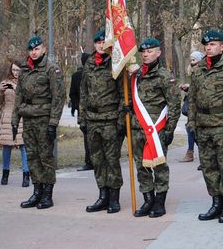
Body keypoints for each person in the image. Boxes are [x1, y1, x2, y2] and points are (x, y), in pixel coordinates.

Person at [187, 29, 223, 224]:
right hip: (203, 127)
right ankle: (216, 202)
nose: (209, 47)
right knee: (208, 167)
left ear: (222, 46)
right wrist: (192, 124)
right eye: (206, 45)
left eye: (213, 44)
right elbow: (192, 100)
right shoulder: (198, 70)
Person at [129, 38, 181, 218]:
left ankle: (159, 202)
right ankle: (148, 200)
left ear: (158, 53)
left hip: (156, 129)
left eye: (150, 51)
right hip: (137, 129)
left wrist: (170, 130)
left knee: (159, 166)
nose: (145, 54)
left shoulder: (165, 76)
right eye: (143, 51)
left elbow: (174, 105)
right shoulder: (135, 76)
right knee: (141, 166)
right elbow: (130, 100)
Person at [12, 36, 64, 210]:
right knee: (32, 156)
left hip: (44, 118)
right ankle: (37, 192)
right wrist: (14, 120)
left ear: (43, 49)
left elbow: (58, 97)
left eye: (37, 49)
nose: (34, 52)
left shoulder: (51, 69)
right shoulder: (25, 69)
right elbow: (18, 95)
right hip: (28, 118)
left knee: (45, 157)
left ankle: (47, 195)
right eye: (31, 49)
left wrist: (53, 123)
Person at [79, 31, 124, 214]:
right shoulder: (89, 63)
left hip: (110, 119)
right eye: (97, 42)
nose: (100, 44)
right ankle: (102, 195)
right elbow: (83, 93)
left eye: (103, 41)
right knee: (97, 160)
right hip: (92, 120)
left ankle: (114, 198)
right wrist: (82, 118)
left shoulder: (116, 63)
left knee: (111, 159)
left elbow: (123, 95)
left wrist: (121, 120)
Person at [0, 62, 29, 187]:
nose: (15, 72)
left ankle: (26, 175)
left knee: (24, 147)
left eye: (17, 70)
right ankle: (5, 174)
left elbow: (30, 98)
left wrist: (16, 90)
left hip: (22, 116)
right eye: (13, 70)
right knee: (7, 147)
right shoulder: (5, 82)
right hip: (7, 117)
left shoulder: (26, 81)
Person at [180, 51, 204, 163]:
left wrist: (190, 87)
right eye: (191, 59)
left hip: (200, 106)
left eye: (194, 59)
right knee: (190, 128)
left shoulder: (203, 71)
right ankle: (190, 152)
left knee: (197, 130)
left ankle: (205, 155)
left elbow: (202, 88)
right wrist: (187, 88)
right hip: (191, 105)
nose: (192, 62)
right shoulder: (192, 72)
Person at [71, 52, 93, 171]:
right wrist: (76, 106)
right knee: (86, 137)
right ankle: (89, 161)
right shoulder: (76, 76)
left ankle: (95, 161)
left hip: (96, 111)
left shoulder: (95, 73)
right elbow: (73, 94)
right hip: (83, 111)